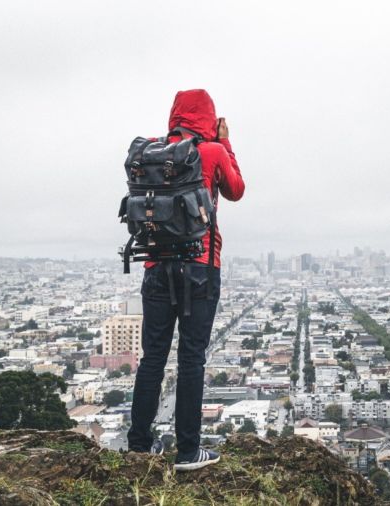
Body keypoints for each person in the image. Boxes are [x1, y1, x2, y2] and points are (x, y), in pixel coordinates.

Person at [127, 89, 245, 471]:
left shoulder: (153, 153)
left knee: (153, 358)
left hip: (155, 267)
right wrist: (225, 142)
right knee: (192, 358)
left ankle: (139, 444)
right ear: (209, 118)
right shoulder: (211, 152)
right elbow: (236, 190)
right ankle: (189, 451)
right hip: (199, 268)